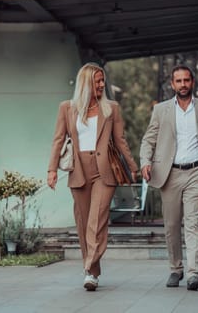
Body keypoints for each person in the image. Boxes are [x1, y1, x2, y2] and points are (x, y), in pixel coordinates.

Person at [47, 62, 138, 291]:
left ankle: (87, 266)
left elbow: (120, 140)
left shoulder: (111, 108)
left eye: (102, 80)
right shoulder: (67, 108)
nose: (101, 84)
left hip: (103, 170)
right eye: (97, 81)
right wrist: (51, 170)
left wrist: (132, 166)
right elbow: (58, 140)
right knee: (83, 221)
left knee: (97, 220)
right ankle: (93, 274)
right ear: (85, 83)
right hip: (78, 170)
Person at [140, 64, 198, 291]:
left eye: (186, 80)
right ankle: (175, 269)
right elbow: (149, 139)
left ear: (192, 82)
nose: (183, 84)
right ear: (172, 84)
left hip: (197, 172)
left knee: (193, 223)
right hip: (170, 174)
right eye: (178, 81)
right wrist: (145, 162)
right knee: (172, 225)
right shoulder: (162, 110)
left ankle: (193, 274)